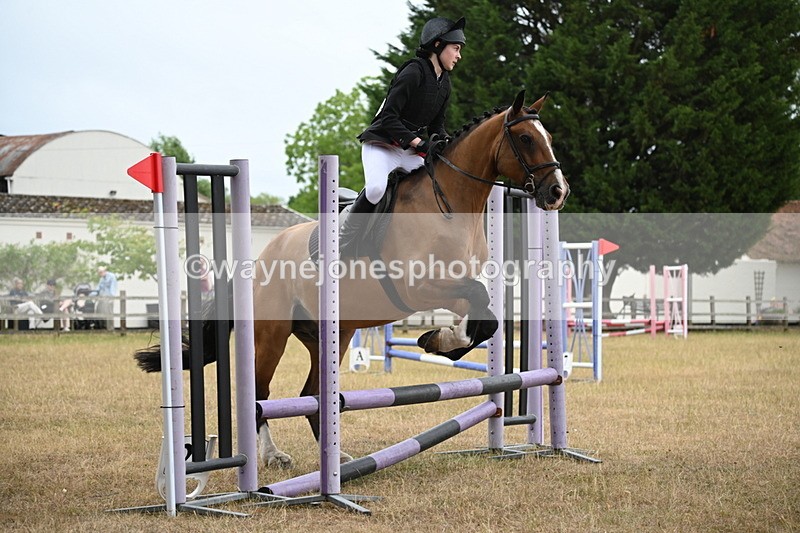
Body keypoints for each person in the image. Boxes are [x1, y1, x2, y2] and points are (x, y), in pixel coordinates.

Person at [339, 16, 466, 251]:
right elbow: (387, 117)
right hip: (382, 145)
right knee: (376, 189)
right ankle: (344, 240)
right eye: (456, 49)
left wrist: (446, 145)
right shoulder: (413, 72)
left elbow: (437, 127)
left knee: (435, 186)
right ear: (437, 45)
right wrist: (418, 142)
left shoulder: (444, 84)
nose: (459, 56)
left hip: (408, 151)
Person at [96, 266, 118, 331]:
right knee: (100, 311)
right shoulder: (102, 279)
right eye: (99, 272)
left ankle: (111, 328)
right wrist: (92, 294)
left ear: (104, 271)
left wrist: (111, 298)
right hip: (102, 298)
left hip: (109, 298)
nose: (100, 274)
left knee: (109, 312)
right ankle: (103, 327)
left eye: (101, 272)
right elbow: (98, 288)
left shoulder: (112, 277)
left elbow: (113, 288)